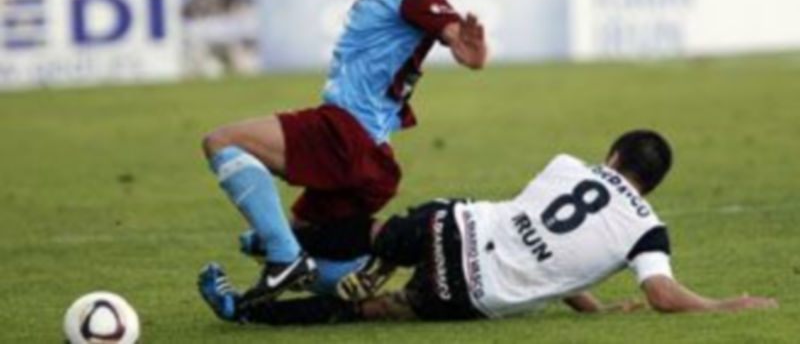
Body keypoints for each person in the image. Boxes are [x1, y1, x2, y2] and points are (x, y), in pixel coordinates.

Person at [199, 0, 488, 311]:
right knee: (288, 236)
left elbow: (451, 33)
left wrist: (471, 52)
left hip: (344, 131)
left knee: (222, 142)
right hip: (369, 152)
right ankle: (345, 286)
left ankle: (284, 261)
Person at [198, 129, 778, 324]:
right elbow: (660, 293)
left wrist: (593, 307)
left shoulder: (568, 166)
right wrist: (725, 306)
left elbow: (542, 234)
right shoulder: (648, 229)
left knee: (376, 235)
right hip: (473, 289)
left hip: (455, 225)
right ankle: (242, 311)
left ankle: (281, 243)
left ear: (613, 155)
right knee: (365, 310)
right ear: (653, 184)